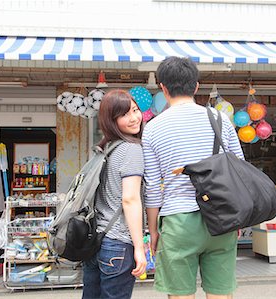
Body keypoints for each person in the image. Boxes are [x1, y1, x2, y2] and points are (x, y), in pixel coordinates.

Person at [142, 57, 245, 299]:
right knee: (220, 292)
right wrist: (237, 217)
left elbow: (154, 189)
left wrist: (153, 230)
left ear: (163, 88)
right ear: (196, 87)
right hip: (220, 218)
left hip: (178, 221)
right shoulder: (221, 120)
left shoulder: (153, 128)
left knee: (180, 294)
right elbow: (239, 170)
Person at [82, 89, 147, 299]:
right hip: (117, 244)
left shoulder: (105, 148)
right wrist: (139, 247)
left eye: (135, 110)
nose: (134, 118)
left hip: (95, 243)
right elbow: (130, 199)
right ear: (112, 120)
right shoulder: (131, 149)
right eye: (125, 114)